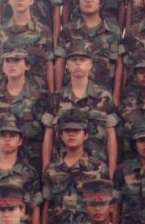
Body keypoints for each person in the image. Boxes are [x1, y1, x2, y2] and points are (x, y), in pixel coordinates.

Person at [42, 39, 118, 177]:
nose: (78, 63)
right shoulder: (56, 98)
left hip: (96, 172)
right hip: (62, 172)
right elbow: (48, 135)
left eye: (82, 59)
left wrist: (112, 172)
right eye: (73, 59)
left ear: (90, 65)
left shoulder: (104, 97)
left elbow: (111, 135)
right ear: (67, 65)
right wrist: (45, 170)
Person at [0, 47, 50, 179]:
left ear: (27, 65)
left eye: (16, 60)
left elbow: (48, 135)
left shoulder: (40, 97)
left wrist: (45, 167)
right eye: (7, 61)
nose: (11, 64)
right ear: (3, 67)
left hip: (31, 167)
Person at [55, 0, 124, 96]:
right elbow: (60, 63)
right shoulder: (68, 31)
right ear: (78, 2)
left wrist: (116, 97)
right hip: (73, 95)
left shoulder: (113, 32)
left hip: (104, 96)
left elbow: (119, 65)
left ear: (101, 2)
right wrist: (57, 94)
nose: (88, 0)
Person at [0, 0, 55, 93]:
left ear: (31, 0)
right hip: (4, 98)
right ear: (9, 0)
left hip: (36, 97)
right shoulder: (0, 32)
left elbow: (49, 67)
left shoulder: (43, 32)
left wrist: (53, 95)